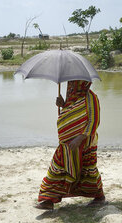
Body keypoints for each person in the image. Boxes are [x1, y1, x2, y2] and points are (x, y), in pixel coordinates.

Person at [35, 79, 106, 210]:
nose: (72, 85)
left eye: (75, 83)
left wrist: (79, 138)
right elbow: (71, 114)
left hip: (85, 142)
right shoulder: (71, 98)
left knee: (88, 169)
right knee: (57, 166)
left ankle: (99, 196)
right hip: (66, 142)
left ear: (83, 82)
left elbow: (94, 120)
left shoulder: (90, 97)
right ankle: (48, 200)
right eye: (71, 83)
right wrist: (63, 105)